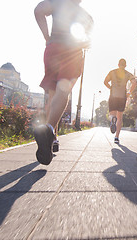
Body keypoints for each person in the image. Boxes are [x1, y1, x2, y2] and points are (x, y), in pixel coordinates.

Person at [33, 0, 93, 165]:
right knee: (63, 90)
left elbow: (39, 10)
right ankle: (49, 130)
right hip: (71, 51)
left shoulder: (56, 2)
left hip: (52, 49)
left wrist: (47, 37)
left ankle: (53, 140)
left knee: (52, 95)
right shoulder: (85, 16)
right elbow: (88, 39)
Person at [104, 58, 137, 144]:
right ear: (125, 65)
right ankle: (117, 137)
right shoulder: (128, 73)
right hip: (122, 96)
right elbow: (134, 82)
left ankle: (112, 119)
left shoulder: (112, 72)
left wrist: (111, 88)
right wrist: (129, 92)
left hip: (113, 95)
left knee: (112, 114)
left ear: (118, 64)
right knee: (120, 117)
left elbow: (105, 81)